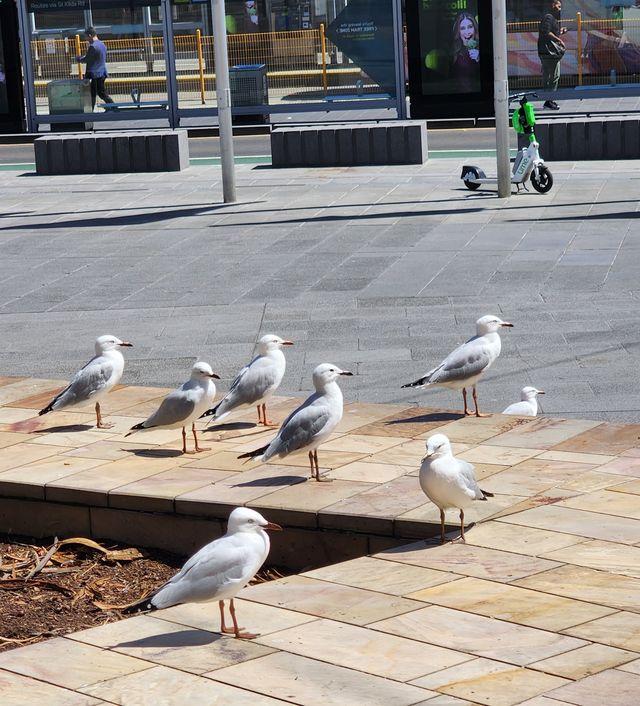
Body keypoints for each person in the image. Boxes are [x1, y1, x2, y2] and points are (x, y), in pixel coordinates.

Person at [538, 0, 567, 110]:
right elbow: (546, 32)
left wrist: (560, 32)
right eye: (558, 6)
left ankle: (549, 100)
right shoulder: (549, 17)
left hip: (546, 52)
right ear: (553, 5)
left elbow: (549, 32)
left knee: (549, 76)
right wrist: (559, 39)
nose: (560, 9)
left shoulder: (550, 18)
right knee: (554, 76)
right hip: (549, 53)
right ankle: (549, 100)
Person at [76, 27, 114, 109]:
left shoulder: (93, 47)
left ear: (90, 35)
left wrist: (79, 59)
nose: (86, 39)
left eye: (86, 37)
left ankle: (112, 108)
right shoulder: (102, 44)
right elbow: (95, 57)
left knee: (97, 94)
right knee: (98, 93)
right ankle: (112, 107)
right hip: (102, 72)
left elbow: (87, 59)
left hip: (95, 74)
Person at [451, 12, 480, 93]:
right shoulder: (454, 51)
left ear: (475, 29)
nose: (467, 32)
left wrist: (479, 59)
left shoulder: (482, 48)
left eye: (470, 27)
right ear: (459, 32)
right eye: (463, 28)